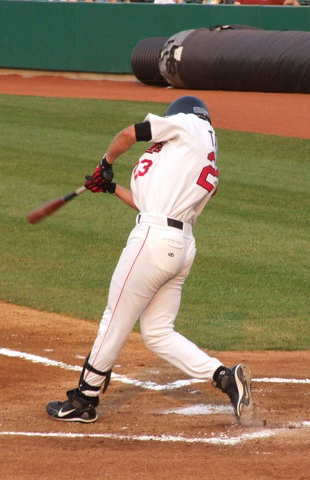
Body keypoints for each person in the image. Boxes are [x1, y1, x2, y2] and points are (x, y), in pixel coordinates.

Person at [46, 96, 255, 426]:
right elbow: (149, 205)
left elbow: (129, 134)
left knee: (115, 318)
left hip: (153, 242)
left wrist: (106, 162)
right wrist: (111, 187)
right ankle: (226, 378)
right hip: (180, 246)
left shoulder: (189, 124)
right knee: (158, 332)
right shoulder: (191, 155)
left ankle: (84, 400)